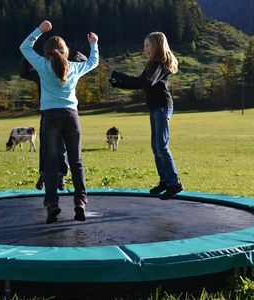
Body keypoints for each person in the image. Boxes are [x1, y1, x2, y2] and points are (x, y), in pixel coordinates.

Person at [20, 20, 99, 223]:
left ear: (47, 53)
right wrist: (93, 43)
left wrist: (39, 30)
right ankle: (80, 203)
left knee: (51, 163)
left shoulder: (42, 65)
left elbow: (24, 47)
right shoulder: (74, 67)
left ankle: (52, 205)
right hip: (71, 117)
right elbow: (93, 62)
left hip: (50, 117)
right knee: (77, 162)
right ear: (66, 51)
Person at [109, 31, 183, 200]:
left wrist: (120, 75)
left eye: (147, 46)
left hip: (162, 107)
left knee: (162, 146)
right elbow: (140, 84)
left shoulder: (159, 63)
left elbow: (146, 82)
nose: (145, 49)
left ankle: (174, 183)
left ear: (156, 46)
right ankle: (165, 181)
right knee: (156, 147)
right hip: (155, 108)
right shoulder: (152, 64)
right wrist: (118, 83)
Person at [20, 51, 88, 191]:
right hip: (57, 113)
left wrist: (30, 55)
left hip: (52, 113)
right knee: (50, 147)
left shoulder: (49, 69)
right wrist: (28, 57)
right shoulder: (43, 70)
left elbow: (24, 73)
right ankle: (46, 175)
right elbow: (86, 64)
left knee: (55, 147)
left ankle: (60, 176)